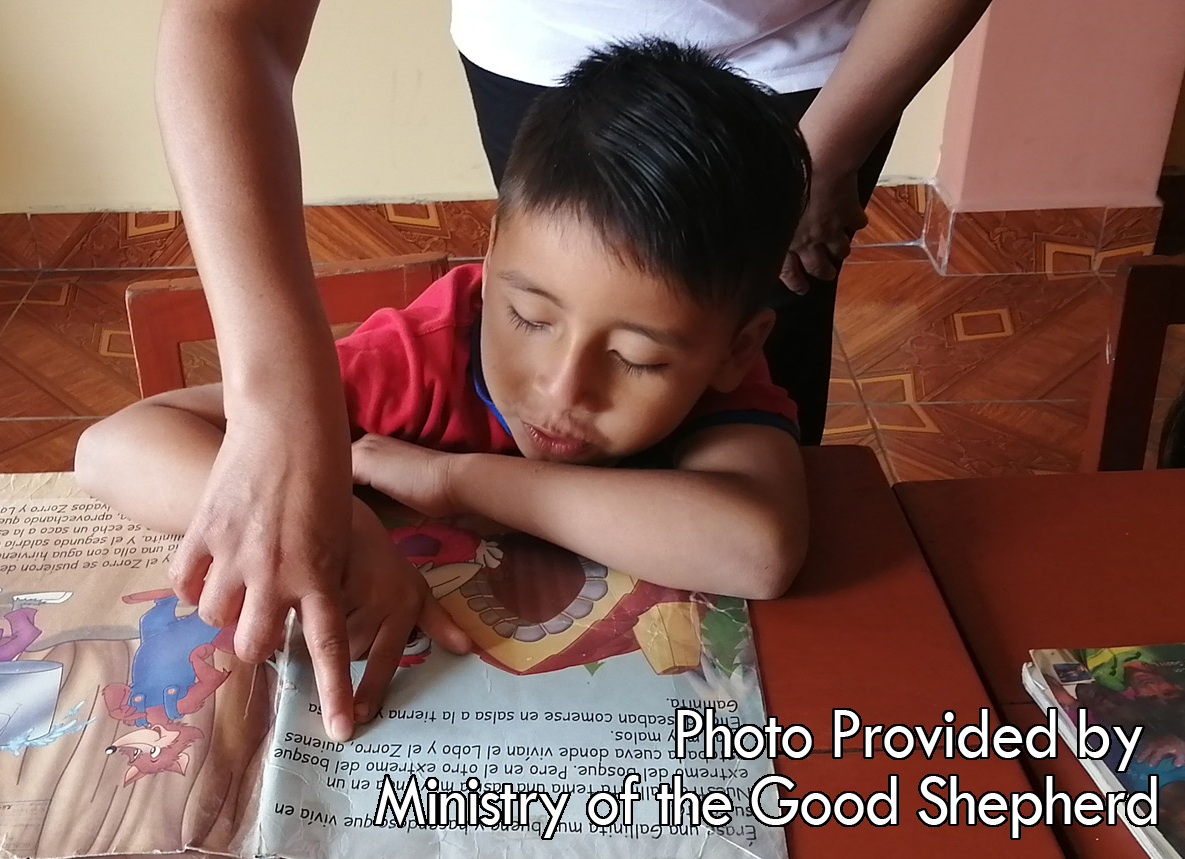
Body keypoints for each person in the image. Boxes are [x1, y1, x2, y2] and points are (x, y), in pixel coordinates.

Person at [83, 39, 813, 740]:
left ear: (735, 348)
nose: (564, 387)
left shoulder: (720, 383)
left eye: (635, 359)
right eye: (529, 316)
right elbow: (111, 450)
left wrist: (455, 478)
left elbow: (756, 549)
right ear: (491, 264)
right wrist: (328, 517)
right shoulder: (421, 358)